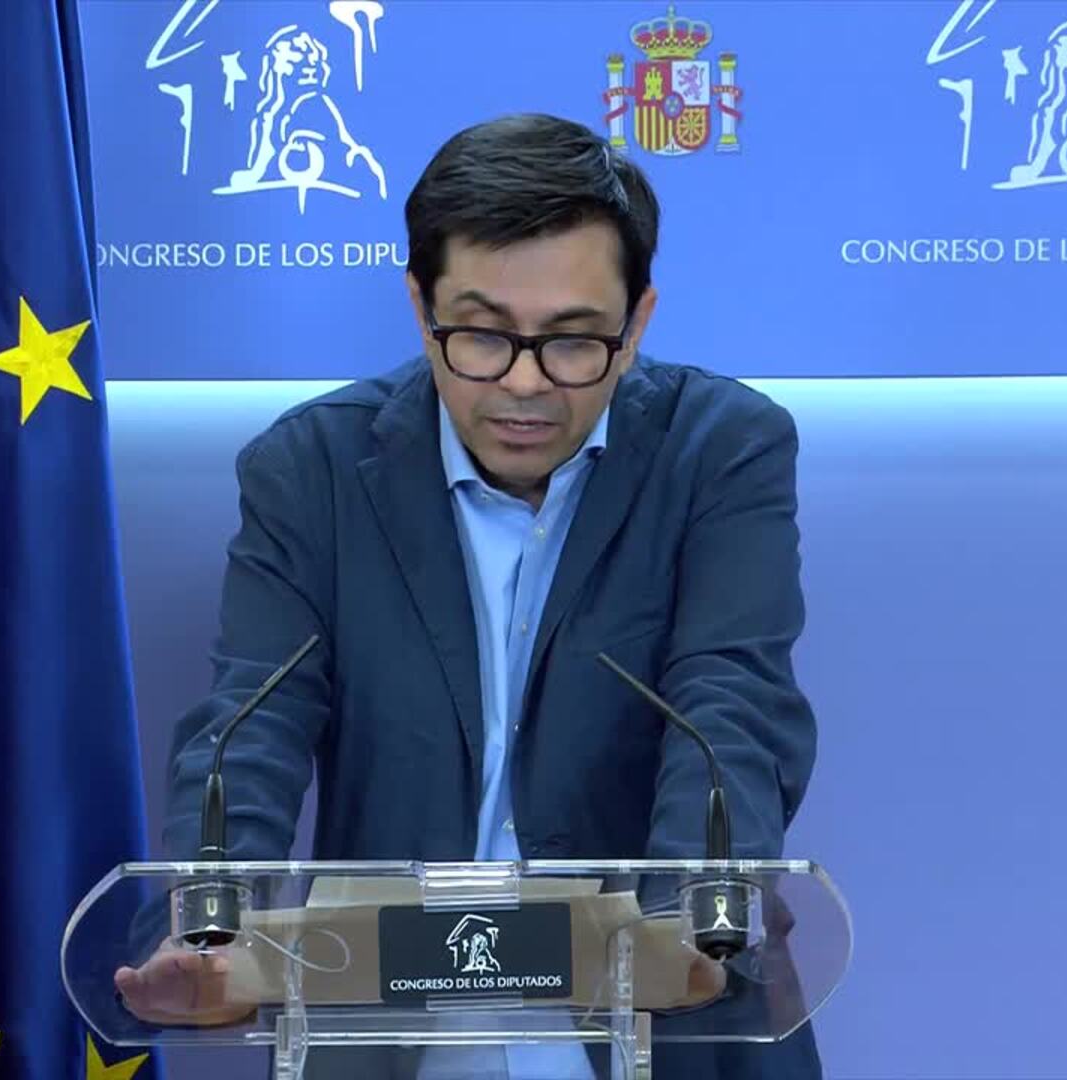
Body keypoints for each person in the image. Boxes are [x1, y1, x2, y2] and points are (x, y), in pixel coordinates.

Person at [115, 113, 822, 1079]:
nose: (524, 385)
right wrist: (214, 921)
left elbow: (730, 701)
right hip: (385, 1029)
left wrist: (693, 915)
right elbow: (253, 723)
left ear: (638, 322)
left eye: (573, 342)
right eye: (483, 336)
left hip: (661, 1014)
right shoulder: (313, 469)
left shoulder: (719, 452)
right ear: (421, 306)